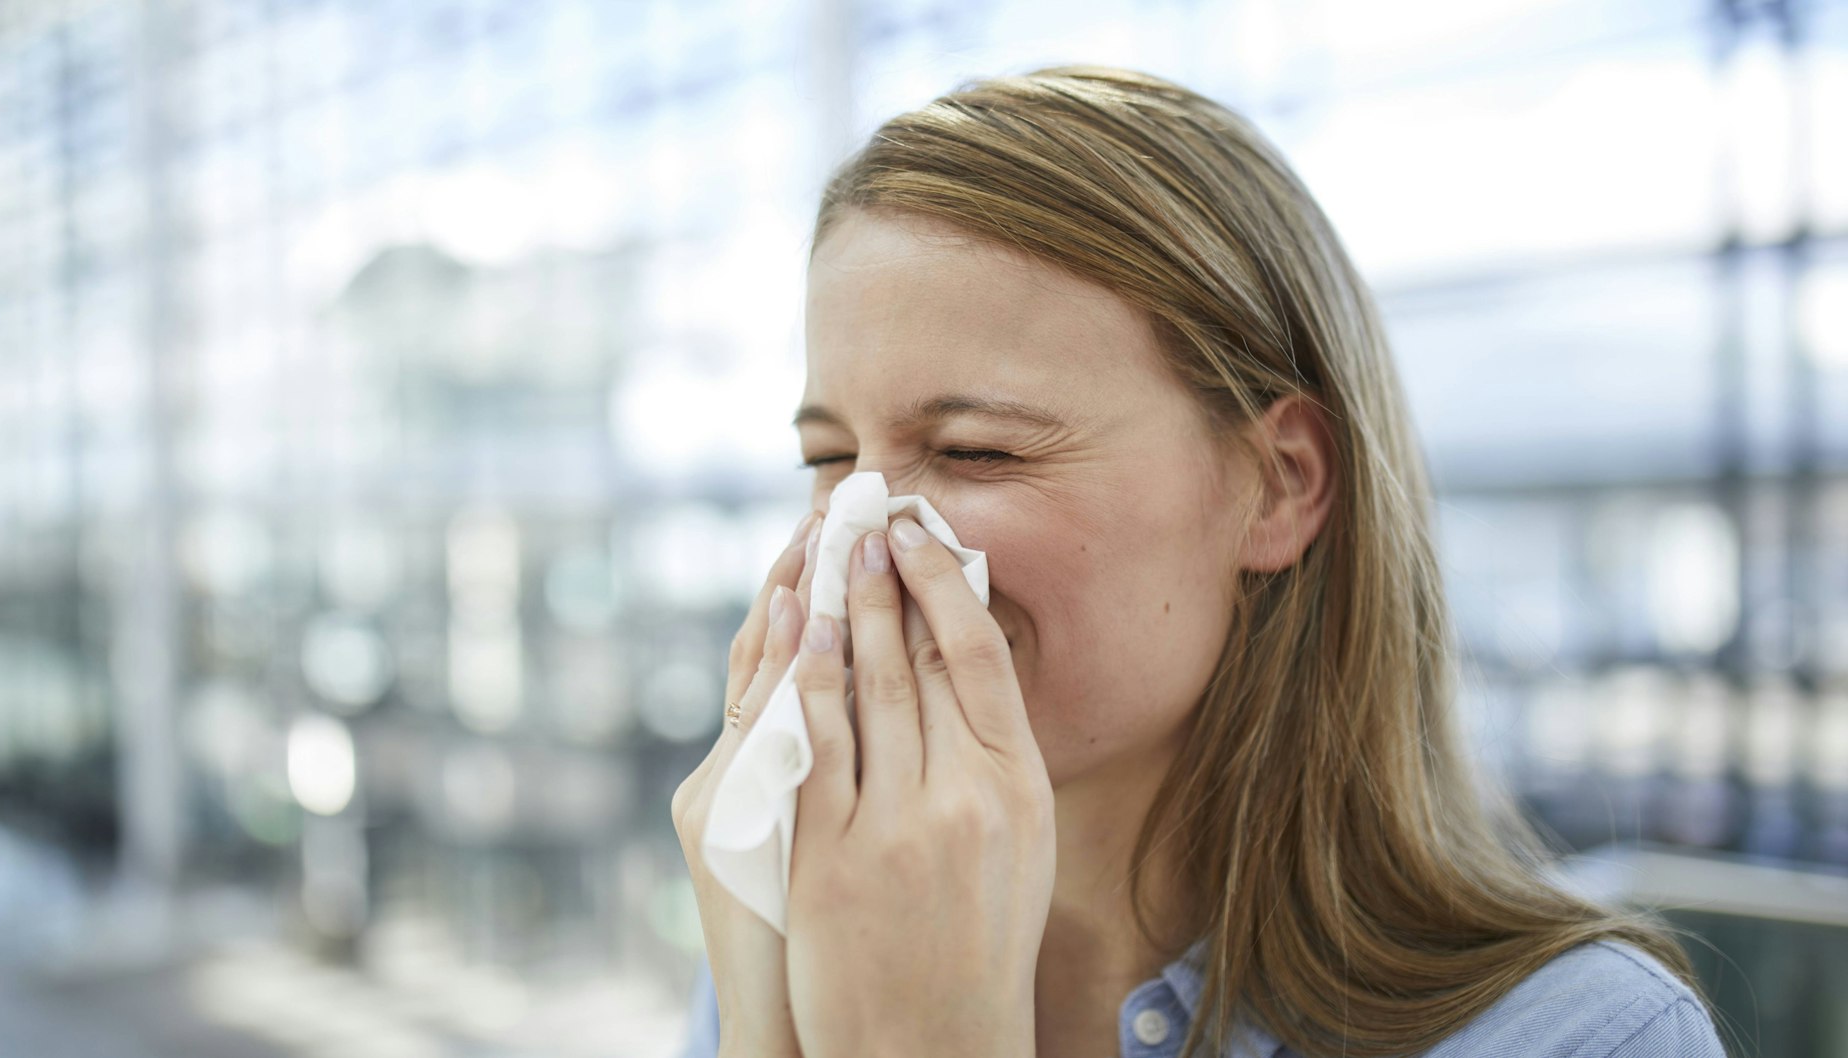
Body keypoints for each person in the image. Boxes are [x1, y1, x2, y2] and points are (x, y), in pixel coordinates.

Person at [669, 65, 1727, 1058]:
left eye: (972, 450)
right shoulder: (821, 914)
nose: (858, 540)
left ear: (1278, 484)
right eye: (828, 457)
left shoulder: (1587, 1035)